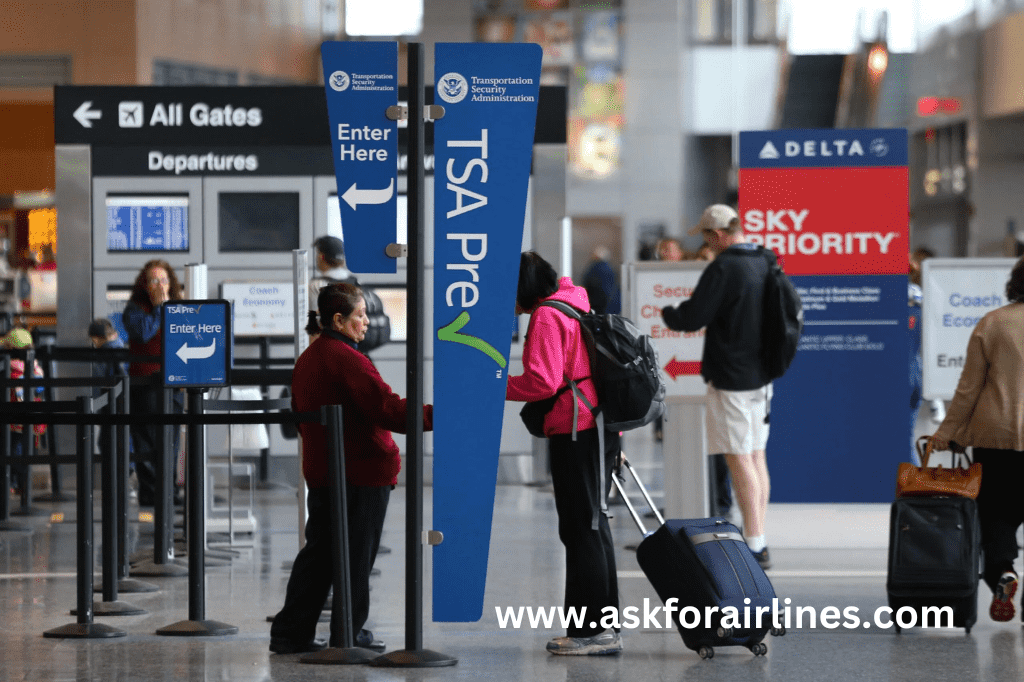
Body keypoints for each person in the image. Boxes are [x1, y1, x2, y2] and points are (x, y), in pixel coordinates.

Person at [270, 282, 432, 654]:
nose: (366, 322)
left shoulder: (310, 357)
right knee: (356, 557)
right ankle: (348, 634)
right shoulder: (347, 358)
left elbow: (300, 415)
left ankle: (291, 633)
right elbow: (386, 409)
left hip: (327, 472)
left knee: (320, 556)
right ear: (338, 319)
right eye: (360, 315)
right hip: (359, 473)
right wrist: (438, 415)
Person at [506, 251, 622, 656]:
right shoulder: (573, 299)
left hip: (577, 429)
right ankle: (604, 628)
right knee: (593, 525)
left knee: (580, 529)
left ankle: (591, 632)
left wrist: (494, 384)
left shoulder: (546, 316)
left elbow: (542, 381)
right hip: (598, 425)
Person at [660, 204, 774, 570]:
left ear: (718, 235)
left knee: (738, 456)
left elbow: (692, 316)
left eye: (707, 235)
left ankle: (755, 544)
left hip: (732, 377)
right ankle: (760, 535)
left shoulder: (724, 267)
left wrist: (668, 311)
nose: (707, 242)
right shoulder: (765, 260)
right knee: (756, 454)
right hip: (762, 374)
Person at [929, 256, 1024, 623]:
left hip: (994, 437)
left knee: (996, 515)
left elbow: (968, 390)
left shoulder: (993, 323)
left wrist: (946, 433)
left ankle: (1003, 571)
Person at [121, 260, 183, 507]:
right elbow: (144, 333)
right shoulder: (135, 309)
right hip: (144, 383)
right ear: (144, 285)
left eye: (164, 280)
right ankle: (150, 491)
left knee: (171, 439)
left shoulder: (178, 307)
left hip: (172, 383)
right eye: (154, 280)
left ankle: (169, 491)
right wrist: (159, 308)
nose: (160, 285)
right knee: (145, 438)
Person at [309, 236, 390, 352]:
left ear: (321, 257)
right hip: (359, 353)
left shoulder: (317, 285)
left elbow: (315, 326)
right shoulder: (356, 281)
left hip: (334, 353)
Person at [2, 328, 45, 496]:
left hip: (12, 419)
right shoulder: (35, 368)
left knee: (12, 450)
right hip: (29, 417)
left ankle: (15, 481)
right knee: (22, 448)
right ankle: (20, 483)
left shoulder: (10, 369)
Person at [580, 245, 621, 315]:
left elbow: (585, 287)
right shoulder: (610, 269)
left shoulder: (591, 270)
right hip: (612, 305)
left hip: (595, 305)